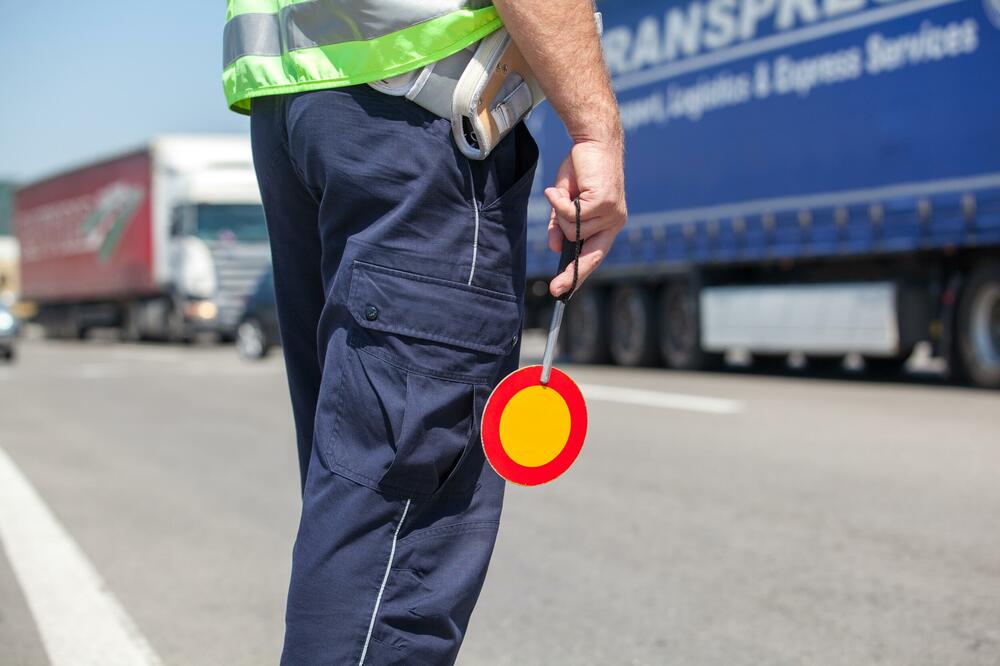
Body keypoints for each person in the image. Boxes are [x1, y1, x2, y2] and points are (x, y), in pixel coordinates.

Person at [222, 0, 627, 662]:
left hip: (300, 112)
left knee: (358, 517)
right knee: (393, 542)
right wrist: (594, 130)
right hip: (418, 113)